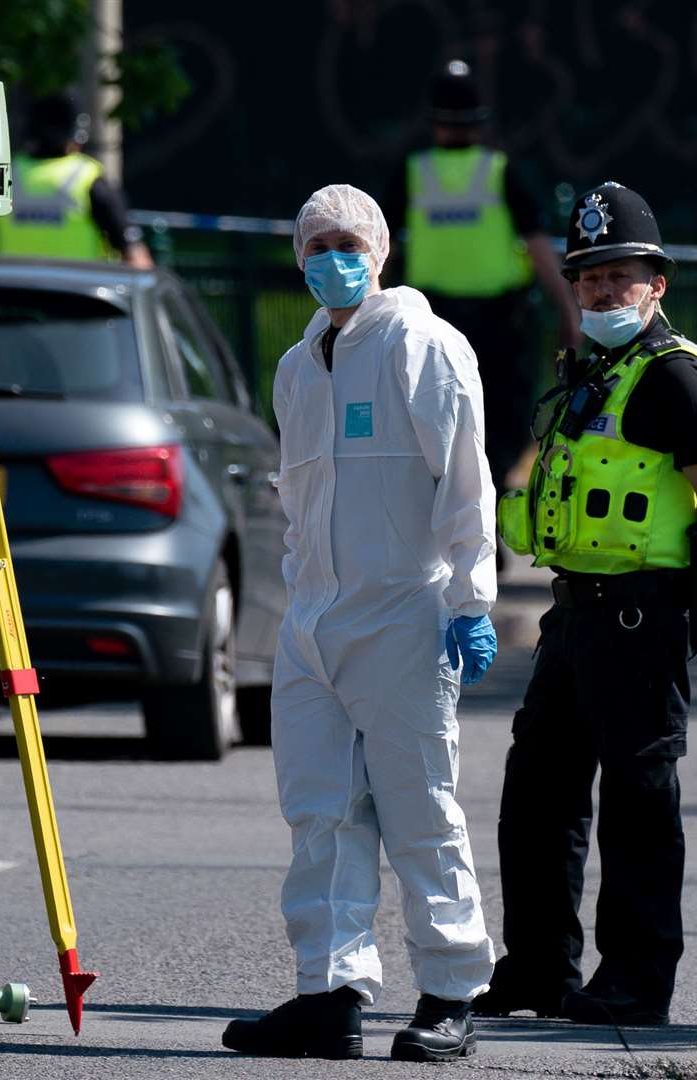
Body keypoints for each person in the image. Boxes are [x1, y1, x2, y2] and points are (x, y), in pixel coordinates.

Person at [221, 184, 498, 1063]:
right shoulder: (299, 366)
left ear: (379, 251)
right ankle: (330, 990)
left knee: (420, 810)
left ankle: (451, 992)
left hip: (404, 614)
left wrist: (470, 598)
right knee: (320, 814)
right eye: (313, 245)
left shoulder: (424, 347)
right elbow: (302, 505)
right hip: (316, 624)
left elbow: (466, 484)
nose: (328, 259)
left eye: (345, 242)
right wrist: (298, 606)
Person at [477, 182, 697, 1027]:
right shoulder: (592, 371)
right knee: (539, 793)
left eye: (618, 276)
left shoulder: (670, 377)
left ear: (656, 282)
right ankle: (539, 971)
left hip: (640, 613)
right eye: (587, 276)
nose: (600, 290)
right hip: (576, 612)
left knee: (637, 800)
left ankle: (634, 979)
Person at [384, 59, 581, 493]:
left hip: (433, 320)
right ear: (480, 122)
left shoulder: (412, 173)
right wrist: (568, 310)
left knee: (436, 420)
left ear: (434, 121)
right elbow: (538, 247)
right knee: (502, 419)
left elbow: (385, 250)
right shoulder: (502, 171)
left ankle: (460, 505)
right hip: (500, 324)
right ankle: (487, 496)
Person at [0, 94, 154, 267]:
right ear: (74, 137)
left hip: (11, 288)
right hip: (78, 290)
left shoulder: (4, 174)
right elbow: (133, 254)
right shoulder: (88, 177)